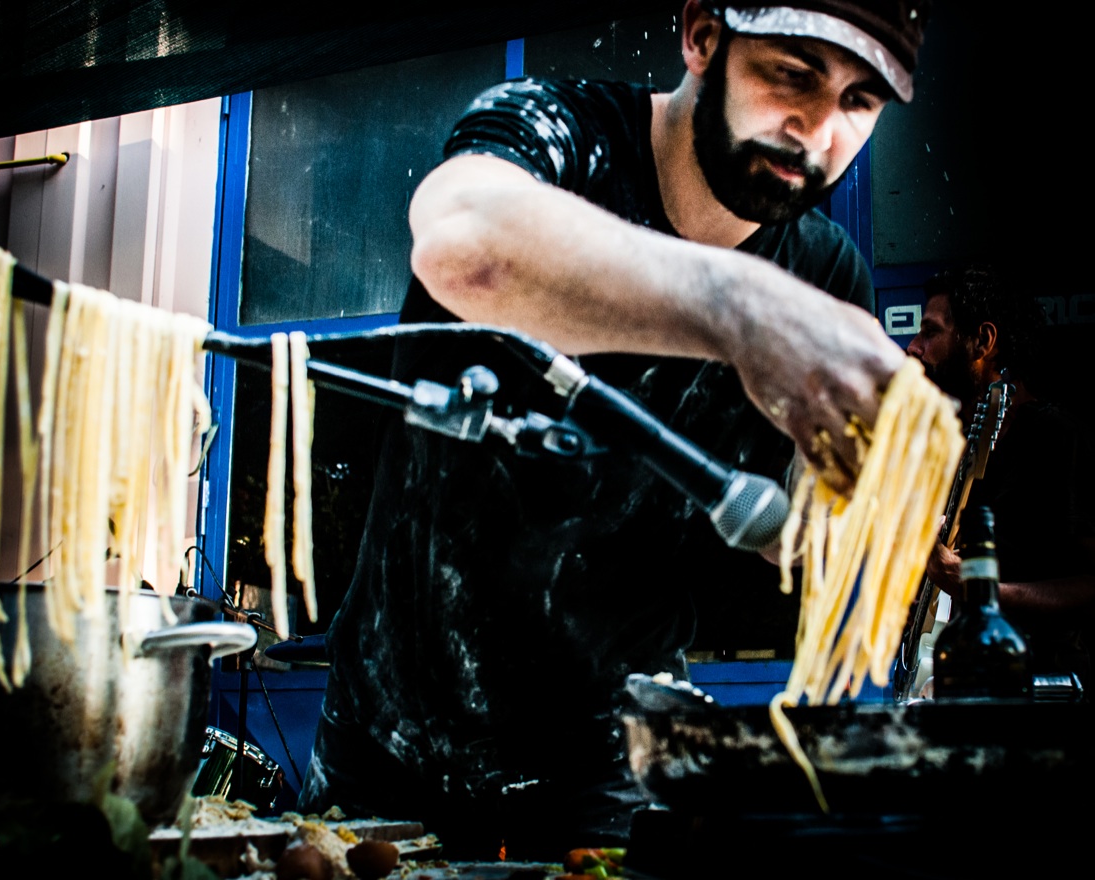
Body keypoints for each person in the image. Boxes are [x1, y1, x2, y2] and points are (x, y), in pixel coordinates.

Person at [298, 0, 932, 860]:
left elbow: (808, 527)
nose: (817, 132)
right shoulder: (555, 130)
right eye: (793, 74)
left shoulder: (827, 273)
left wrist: (837, 517)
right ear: (703, 37)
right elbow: (463, 241)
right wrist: (738, 309)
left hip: (605, 760)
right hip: (394, 728)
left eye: (858, 103)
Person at [906, 264, 1095, 696]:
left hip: (1042, 698)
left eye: (931, 332)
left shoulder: (1055, 438)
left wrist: (978, 589)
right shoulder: (965, 448)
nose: (915, 347)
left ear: (983, 342)